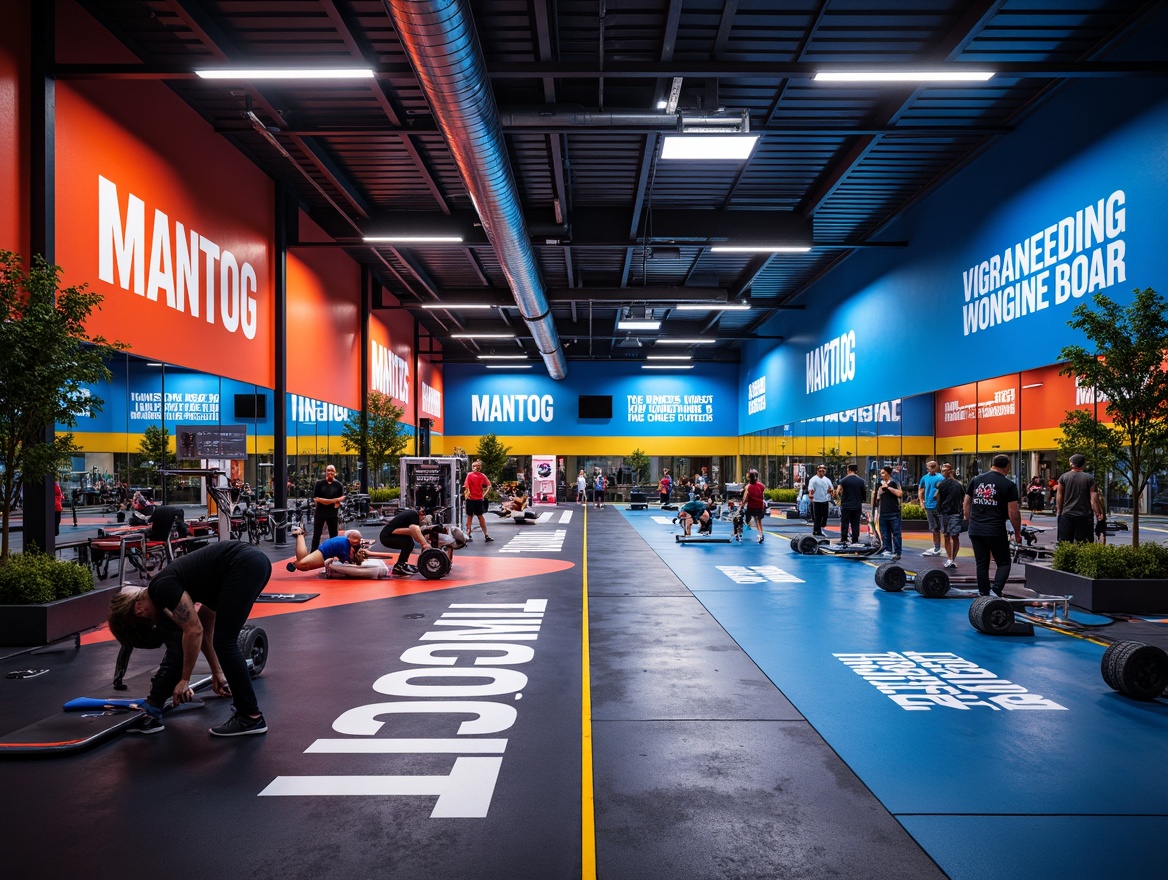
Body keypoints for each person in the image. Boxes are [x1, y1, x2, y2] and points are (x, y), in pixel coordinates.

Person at [106, 541, 272, 737]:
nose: (152, 621)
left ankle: (250, 716)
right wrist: (217, 672)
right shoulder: (179, 584)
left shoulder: (159, 589)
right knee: (223, 640)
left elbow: (194, 631)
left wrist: (185, 679)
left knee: (225, 641)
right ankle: (249, 715)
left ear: (138, 609)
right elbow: (205, 628)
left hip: (244, 564)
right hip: (254, 563)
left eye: (145, 620)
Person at [963, 453, 1022, 597]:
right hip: (994, 529)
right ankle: (996, 590)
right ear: (1007, 467)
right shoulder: (1009, 484)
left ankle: (983, 592)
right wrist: (1017, 532)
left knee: (981, 563)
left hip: (976, 529)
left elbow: (966, 503)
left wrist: (969, 521)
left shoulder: (976, 480)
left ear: (992, 464)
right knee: (1004, 562)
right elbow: (1013, 512)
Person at [1056, 453, 1105, 543]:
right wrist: (1098, 514)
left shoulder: (1063, 477)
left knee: (1065, 543)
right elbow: (1093, 498)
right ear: (1083, 464)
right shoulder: (1090, 479)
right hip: (1085, 516)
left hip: (1067, 514)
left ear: (1071, 464)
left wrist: (1059, 511)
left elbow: (1059, 497)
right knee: (1084, 544)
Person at [373, 506, 433, 576]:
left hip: (388, 535)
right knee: (407, 543)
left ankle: (401, 564)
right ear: (422, 514)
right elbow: (415, 529)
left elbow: (415, 534)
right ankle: (400, 565)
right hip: (387, 537)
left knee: (409, 542)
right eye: (424, 520)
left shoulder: (411, 515)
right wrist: (425, 544)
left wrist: (423, 543)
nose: (423, 522)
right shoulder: (414, 516)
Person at [287, 526, 363, 573]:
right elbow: (346, 565)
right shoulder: (346, 546)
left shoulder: (346, 542)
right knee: (302, 564)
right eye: (358, 540)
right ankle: (299, 533)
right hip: (325, 552)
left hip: (326, 550)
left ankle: (299, 534)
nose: (359, 542)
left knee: (302, 562)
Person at [935, 463, 965, 569]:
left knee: (954, 535)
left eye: (945, 470)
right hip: (944, 513)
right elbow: (937, 496)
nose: (943, 472)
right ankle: (950, 558)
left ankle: (952, 558)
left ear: (951, 471)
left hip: (954, 512)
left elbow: (963, 497)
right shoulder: (942, 484)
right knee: (947, 535)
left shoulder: (957, 484)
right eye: (942, 470)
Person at [310, 464, 345, 551]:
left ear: (335, 472)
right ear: (325, 472)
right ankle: (313, 553)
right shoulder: (319, 484)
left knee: (333, 535)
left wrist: (328, 501)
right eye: (328, 470)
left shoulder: (338, 485)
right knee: (317, 535)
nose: (330, 472)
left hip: (332, 513)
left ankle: (335, 552)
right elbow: (316, 498)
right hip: (320, 512)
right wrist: (330, 501)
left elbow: (340, 499)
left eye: (332, 470)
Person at [875, 466, 903, 559]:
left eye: (883, 473)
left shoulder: (894, 482)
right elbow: (877, 497)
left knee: (896, 533)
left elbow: (900, 494)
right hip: (883, 512)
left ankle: (898, 551)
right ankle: (888, 550)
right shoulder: (879, 483)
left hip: (893, 512)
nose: (881, 475)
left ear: (888, 473)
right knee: (885, 533)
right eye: (881, 473)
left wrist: (889, 488)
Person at [835, 463, 867, 546]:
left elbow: (838, 492)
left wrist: (840, 496)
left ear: (848, 469)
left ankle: (844, 538)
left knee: (845, 522)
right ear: (856, 470)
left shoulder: (843, 480)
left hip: (846, 505)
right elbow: (864, 494)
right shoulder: (861, 481)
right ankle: (855, 539)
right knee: (855, 523)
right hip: (857, 505)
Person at [917, 460, 945, 557]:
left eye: (933, 466)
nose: (932, 468)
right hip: (929, 506)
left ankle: (941, 547)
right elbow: (920, 491)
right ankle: (936, 547)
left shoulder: (940, 477)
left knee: (942, 527)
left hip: (938, 506)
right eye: (930, 466)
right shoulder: (924, 478)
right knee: (934, 527)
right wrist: (921, 502)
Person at [463, 459, 494, 543]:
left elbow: (466, 487)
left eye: (475, 466)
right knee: (475, 517)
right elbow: (488, 486)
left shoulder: (472, 475)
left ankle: (473, 534)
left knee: (473, 517)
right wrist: (483, 495)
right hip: (474, 499)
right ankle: (471, 534)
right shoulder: (478, 475)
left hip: (474, 499)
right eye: (474, 466)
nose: (475, 468)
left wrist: (482, 495)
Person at [807, 465, 834, 537]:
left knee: (825, 515)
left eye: (823, 471)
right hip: (816, 500)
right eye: (820, 471)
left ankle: (822, 526)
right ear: (817, 471)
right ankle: (816, 530)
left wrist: (831, 491)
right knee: (817, 516)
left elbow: (831, 488)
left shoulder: (827, 480)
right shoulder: (813, 479)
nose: (822, 472)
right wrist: (810, 495)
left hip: (825, 500)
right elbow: (811, 489)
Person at [743, 469, 767, 543]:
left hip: (751, 507)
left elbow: (745, 498)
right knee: (758, 521)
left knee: (745, 518)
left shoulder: (748, 487)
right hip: (760, 506)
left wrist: (742, 504)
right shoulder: (761, 485)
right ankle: (761, 533)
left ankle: (744, 527)